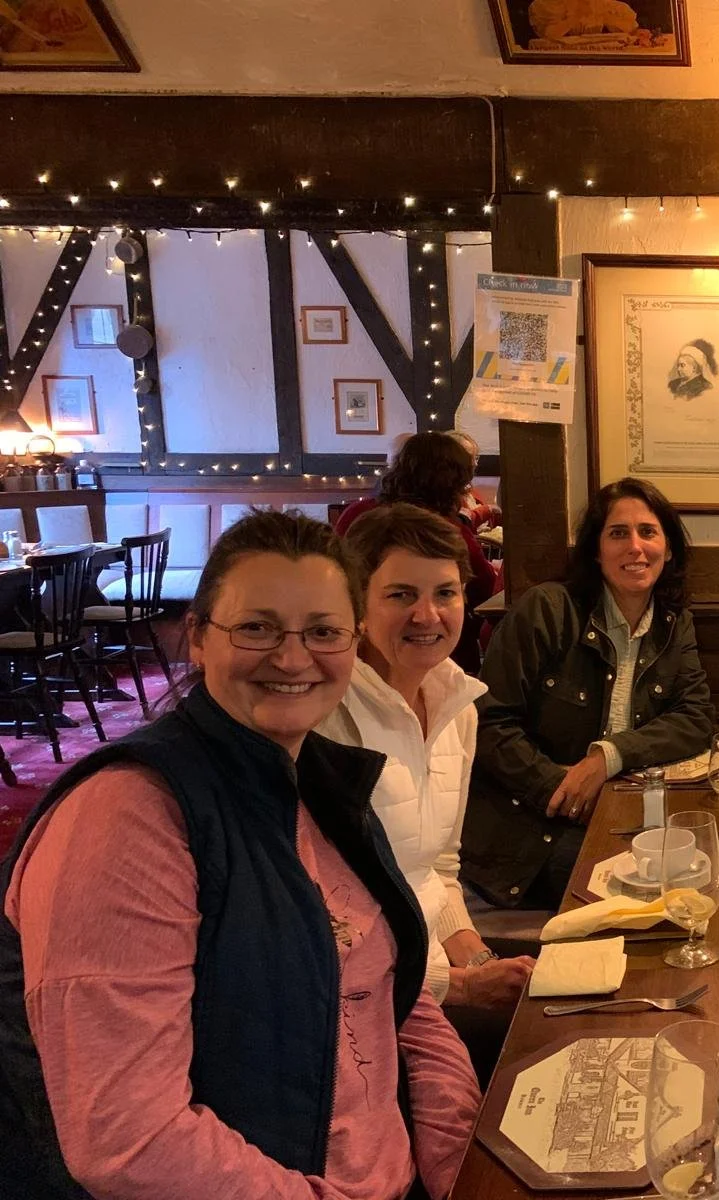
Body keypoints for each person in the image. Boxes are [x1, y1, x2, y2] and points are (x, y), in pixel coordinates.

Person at [0, 510, 479, 1200]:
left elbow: (393, 993)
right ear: (197, 638)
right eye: (257, 628)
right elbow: (130, 1140)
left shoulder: (325, 780)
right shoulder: (127, 815)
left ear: (353, 640)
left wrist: (455, 1151)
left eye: (322, 631)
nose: (292, 658)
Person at [318, 503, 535, 1084]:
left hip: (429, 969)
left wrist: (478, 957)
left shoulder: (457, 704)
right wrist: (459, 986)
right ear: (358, 605)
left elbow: (436, 866)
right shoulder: (326, 719)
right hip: (362, 1006)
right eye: (400, 595)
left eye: (445, 592)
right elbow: (329, 919)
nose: (427, 614)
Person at [461, 477, 716, 910]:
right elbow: (488, 723)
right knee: (650, 897)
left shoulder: (673, 623)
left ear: (668, 548)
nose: (635, 547)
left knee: (703, 873)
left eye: (648, 532)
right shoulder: (547, 610)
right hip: (528, 833)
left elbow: (695, 716)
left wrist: (606, 758)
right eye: (618, 533)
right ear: (596, 551)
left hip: (617, 815)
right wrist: (561, 786)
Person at [335, 431, 500, 671]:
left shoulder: (354, 512)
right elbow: (484, 588)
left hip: (353, 647)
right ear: (451, 482)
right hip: (435, 656)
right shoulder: (447, 530)